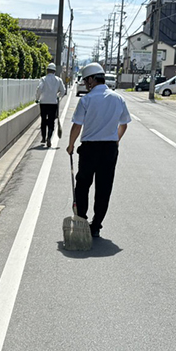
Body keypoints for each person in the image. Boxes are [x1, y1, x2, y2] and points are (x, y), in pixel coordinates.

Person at [65, 62, 130, 239]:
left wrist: (71, 145)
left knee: (83, 184)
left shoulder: (86, 100)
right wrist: (116, 139)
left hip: (89, 148)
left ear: (93, 79)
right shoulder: (118, 99)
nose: (86, 84)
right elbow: (124, 124)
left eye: (87, 81)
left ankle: (82, 219)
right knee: (104, 187)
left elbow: (76, 127)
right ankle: (96, 225)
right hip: (109, 149)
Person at [35, 62, 66, 148]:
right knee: (51, 121)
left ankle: (43, 138)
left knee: (43, 120)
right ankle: (49, 137)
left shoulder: (43, 79)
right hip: (53, 103)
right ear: (54, 71)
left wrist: (37, 98)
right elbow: (63, 91)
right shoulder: (58, 80)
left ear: (47, 70)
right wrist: (58, 97)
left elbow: (39, 89)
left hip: (43, 103)